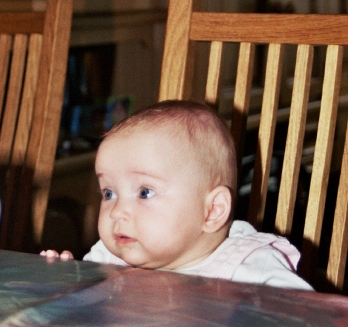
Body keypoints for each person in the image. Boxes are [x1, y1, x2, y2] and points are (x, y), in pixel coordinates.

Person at [42, 100, 312, 290]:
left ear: (212, 211)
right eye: (109, 193)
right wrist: (63, 285)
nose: (116, 212)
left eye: (145, 192)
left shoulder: (250, 266)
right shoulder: (109, 257)